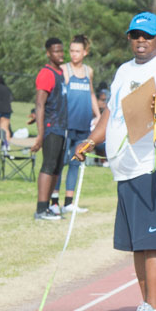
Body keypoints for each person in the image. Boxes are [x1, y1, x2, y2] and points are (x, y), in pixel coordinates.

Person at [72, 11, 156, 311]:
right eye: (134, 35)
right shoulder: (123, 71)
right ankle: (148, 306)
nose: (140, 41)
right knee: (140, 243)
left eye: (147, 36)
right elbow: (111, 114)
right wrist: (91, 140)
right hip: (128, 170)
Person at [58, 34, 101, 212]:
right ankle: (53, 201)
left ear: (85, 52)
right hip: (67, 123)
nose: (74, 54)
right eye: (71, 51)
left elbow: (91, 93)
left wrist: (98, 114)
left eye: (77, 51)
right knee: (60, 162)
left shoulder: (88, 71)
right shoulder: (64, 69)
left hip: (83, 124)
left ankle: (69, 202)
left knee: (76, 161)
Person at [32, 37, 68, 220]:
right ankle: (41, 209)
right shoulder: (46, 73)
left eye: (62, 50)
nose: (60, 54)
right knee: (48, 166)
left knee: (56, 167)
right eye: (56, 51)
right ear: (48, 53)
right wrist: (40, 135)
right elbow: (40, 104)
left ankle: (49, 207)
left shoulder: (60, 72)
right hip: (51, 127)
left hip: (62, 127)